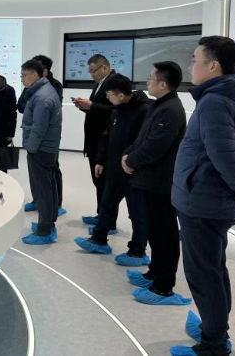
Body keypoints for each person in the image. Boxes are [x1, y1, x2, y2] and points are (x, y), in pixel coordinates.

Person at [169, 37, 235, 356]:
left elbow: (226, 155)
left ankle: (213, 344)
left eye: (195, 60)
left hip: (203, 203)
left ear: (212, 66)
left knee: (204, 275)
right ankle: (216, 330)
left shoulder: (215, 101)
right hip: (211, 200)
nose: (191, 67)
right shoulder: (234, 96)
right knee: (213, 269)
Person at [122, 61, 190, 306]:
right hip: (148, 180)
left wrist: (131, 161)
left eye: (151, 78)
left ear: (163, 84)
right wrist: (127, 154)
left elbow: (154, 147)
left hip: (160, 183)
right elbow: (142, 138)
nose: (147, 82)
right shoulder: (158, 105)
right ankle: (154, 273)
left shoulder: (170, 110)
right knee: (154, 231)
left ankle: (163, 287)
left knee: (164, 234)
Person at [74, 74, 150, 266]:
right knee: (107, 203)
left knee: (137, 213)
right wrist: (100, 159)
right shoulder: (117, 110)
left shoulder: (143, 111)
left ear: (121, 95)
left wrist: (131, 162)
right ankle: (99, 239)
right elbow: (107, 136)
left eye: (109, 94)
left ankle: (138, 252)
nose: (107, 98)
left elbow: (142, 143)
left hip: (133, 171)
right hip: (114, 168)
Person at [20, 59, 63, 245]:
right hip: (47, 148)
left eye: (24, 75)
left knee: (44, 190)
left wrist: (30, 148)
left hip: (40, 149)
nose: (21, 79)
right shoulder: (45, 90)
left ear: (34, 75)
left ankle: (44, 230)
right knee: (49, 187)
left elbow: (39, 128)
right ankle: (48, 224)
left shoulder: (41, 97)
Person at [73, 54, 115, 226]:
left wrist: (91, 105)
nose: (91, 74)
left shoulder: (113, 82)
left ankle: (108, 222)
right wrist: (85, 106)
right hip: (94, 140)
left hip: (104, 141)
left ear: (104, 67)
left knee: (104, 183)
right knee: (99, 182)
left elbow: (114, 110)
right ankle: (101, 216)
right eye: (90, 71)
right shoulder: (100, 83)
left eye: (93, 71)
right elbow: (98, 110)